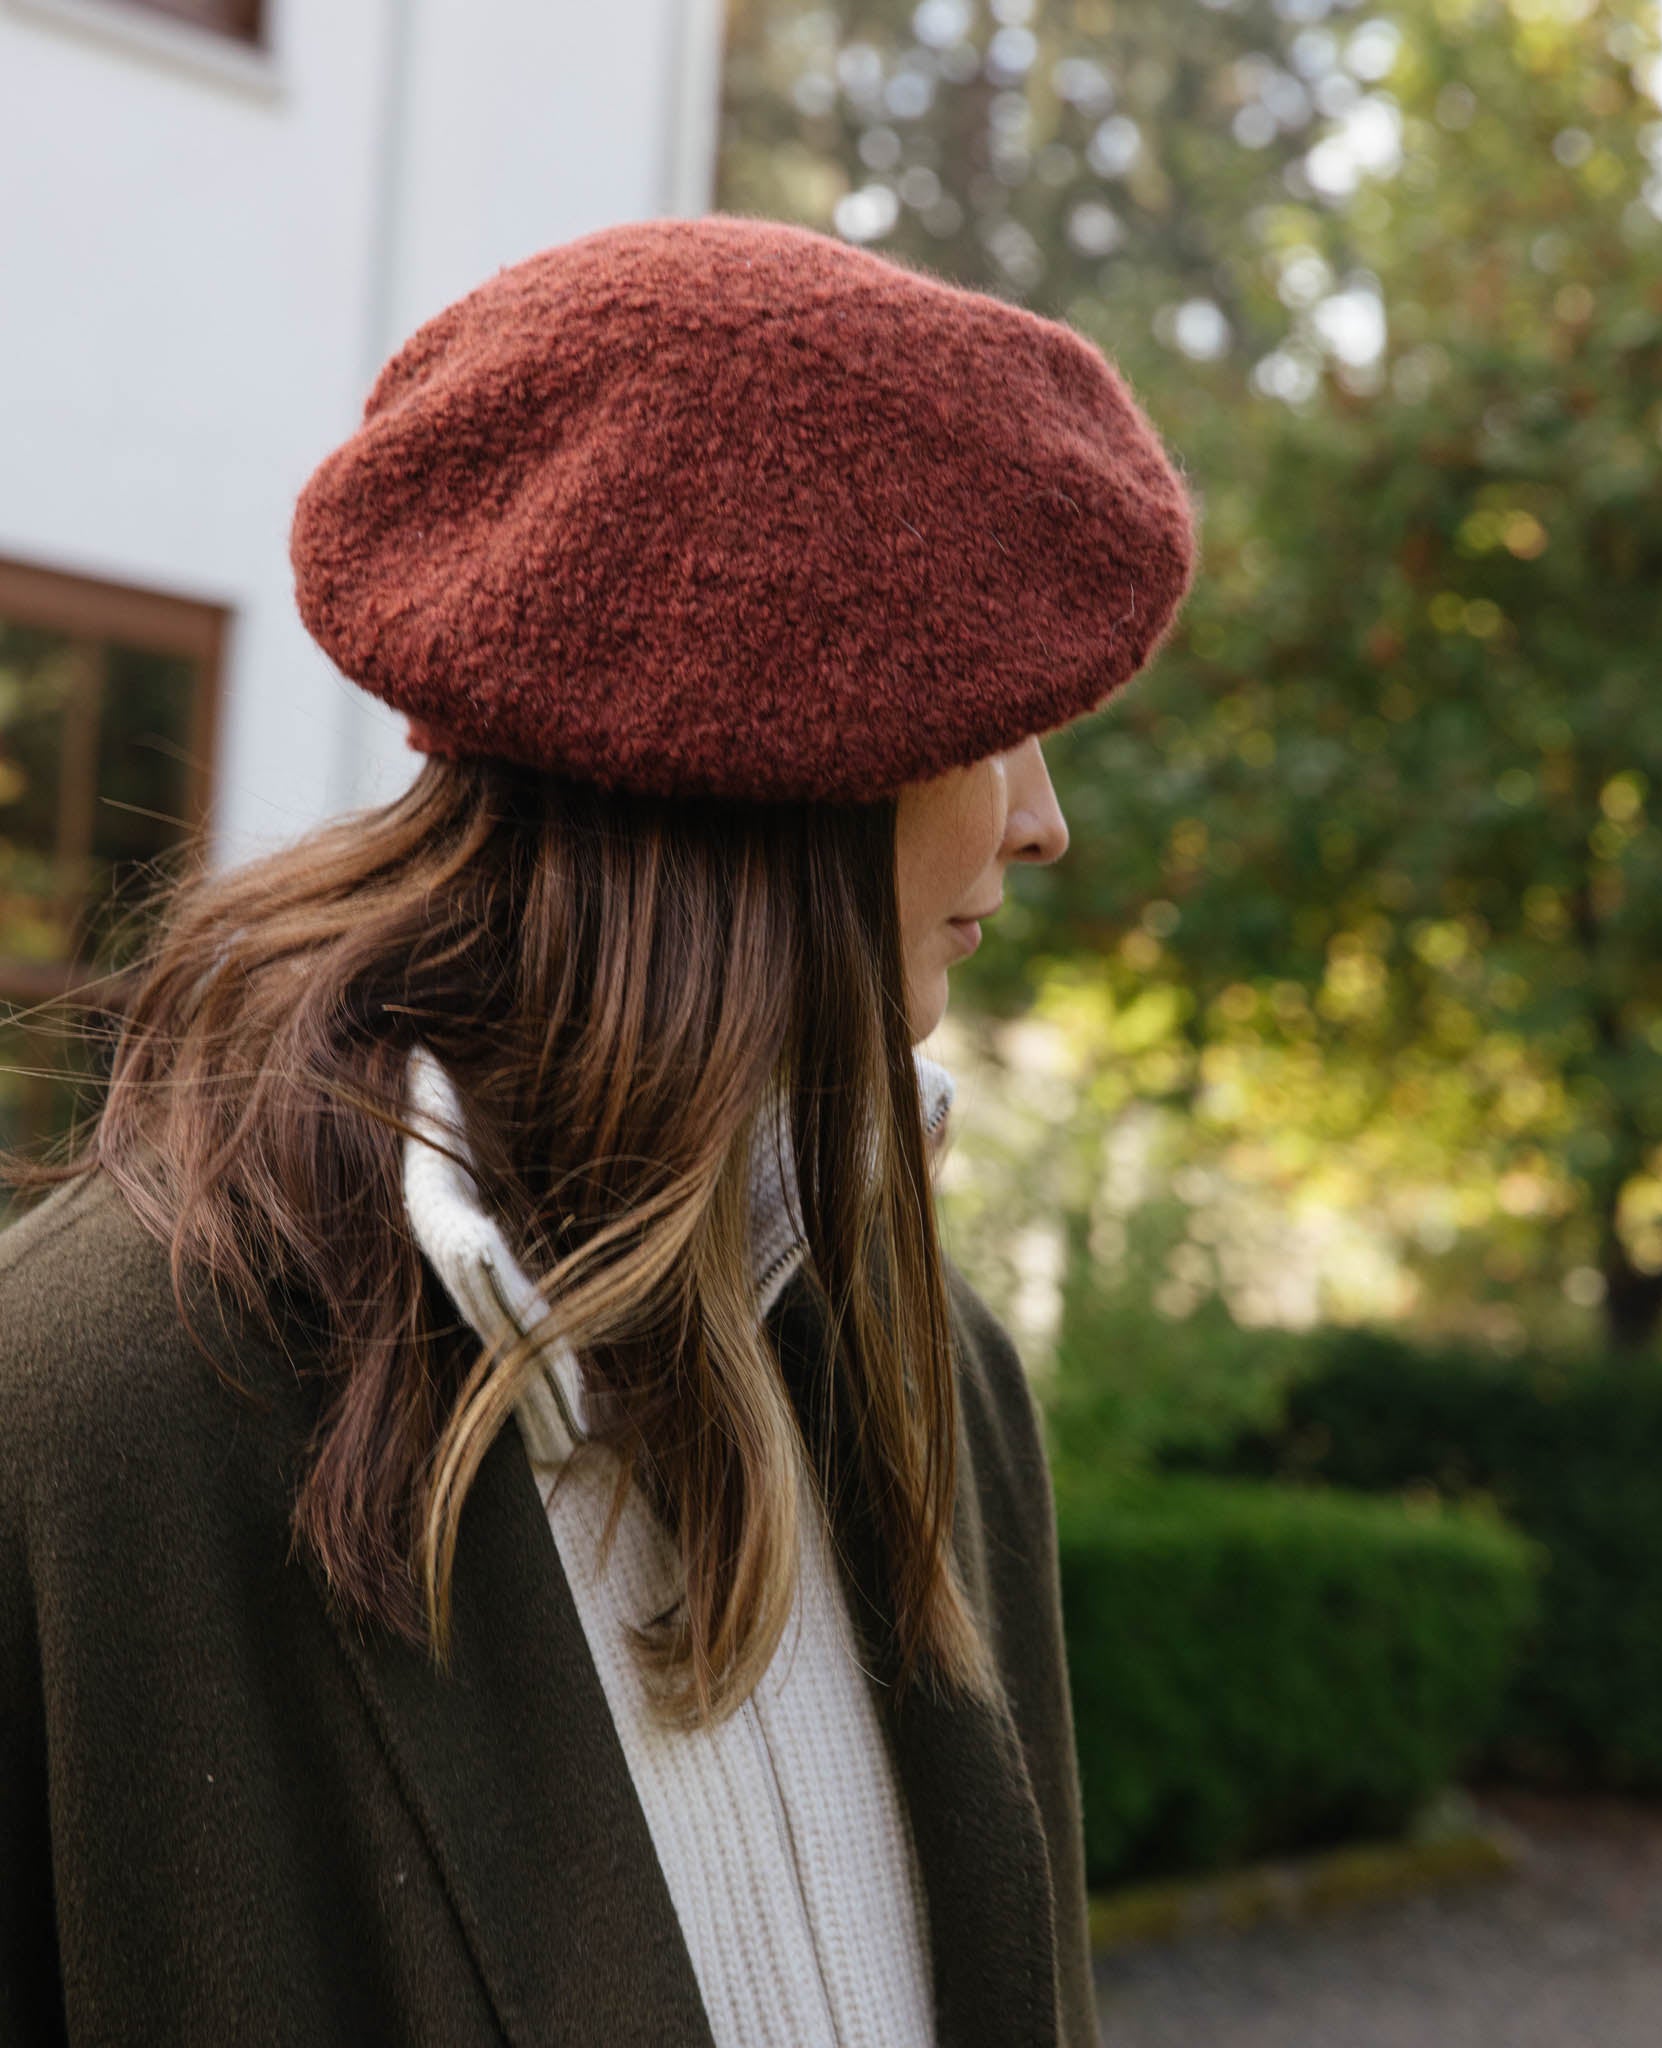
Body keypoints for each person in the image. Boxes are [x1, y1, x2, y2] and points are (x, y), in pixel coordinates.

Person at [0, 214, 1195, 2046]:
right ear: (776, 760)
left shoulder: (943, 1375)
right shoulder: (86, 1413)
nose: (1043, 825)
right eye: (986, 728)